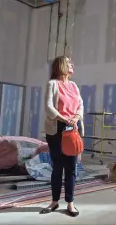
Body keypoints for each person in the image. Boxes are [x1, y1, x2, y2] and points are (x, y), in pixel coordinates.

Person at [40, 56, 83, 217]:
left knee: (71, 168)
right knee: (58, 167)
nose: (72, 64)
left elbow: (80, 104)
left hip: (72, 128)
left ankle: (70, 203)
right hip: (56, 129)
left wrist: (77, 117)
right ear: (60, 66)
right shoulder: (52, 84)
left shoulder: (74, 86)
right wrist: (65, 119)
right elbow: (49, 106)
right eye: (68, 62)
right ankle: (54, 201)